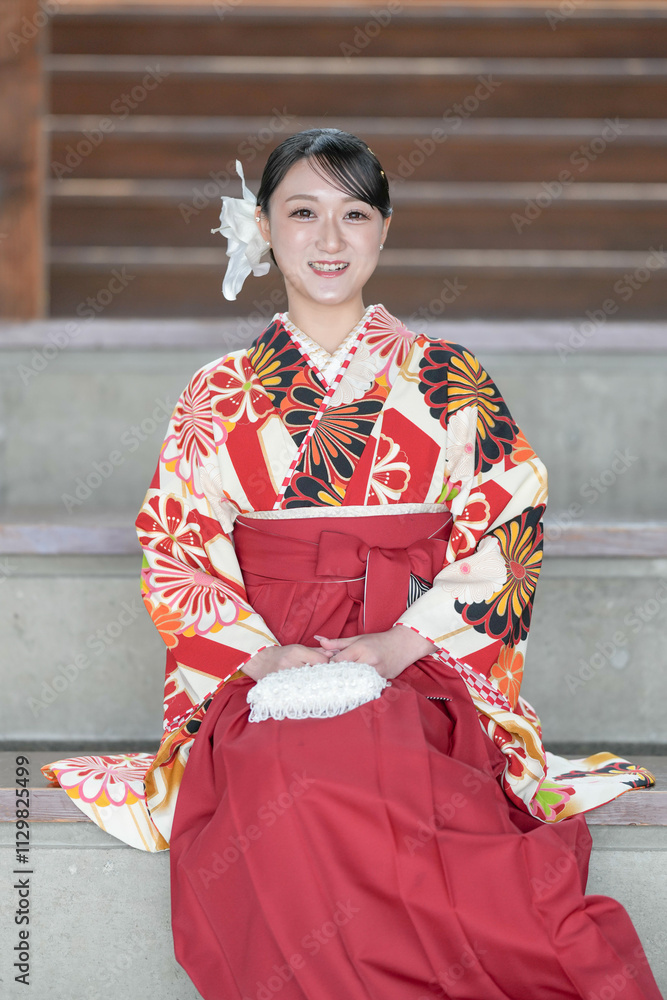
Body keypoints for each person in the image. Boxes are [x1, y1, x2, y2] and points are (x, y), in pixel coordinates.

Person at [43, 128, 661, 1000]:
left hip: (418, 655)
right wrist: (263, 659)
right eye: (302, 213)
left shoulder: (446, 374)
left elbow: (508, 519)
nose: (329, 239)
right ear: (264, 227)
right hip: (266, 665)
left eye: (354, 214)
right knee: (282, 766)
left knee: (387, 759)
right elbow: (177, 546)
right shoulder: (217, 391)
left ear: (383, 230)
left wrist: (400, 644)